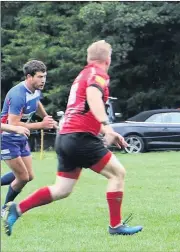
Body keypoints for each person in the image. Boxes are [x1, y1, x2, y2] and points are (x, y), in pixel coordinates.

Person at [2, 40, 143, 236]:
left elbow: (82, 111)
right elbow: (93, 97)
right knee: (117, 174)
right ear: (108, 59)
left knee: (62, 189)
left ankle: (17, 209)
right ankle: (115, 226)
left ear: (88, 58)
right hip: (80, 138)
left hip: (66, 137)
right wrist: (106, 126)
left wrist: (107, 132)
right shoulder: (98, 74)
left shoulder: (82, 75)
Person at [0, 60, 57, 203]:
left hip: (20, 136)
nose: (43, 80)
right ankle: (6, 209)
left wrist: (46, 117)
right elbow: (14, 124)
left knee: (29, 176)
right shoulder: (18, 94)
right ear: (29, 77)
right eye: (40, 77)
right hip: (6, 137)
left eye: (44, 76)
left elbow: (36, 102)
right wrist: (41, 124)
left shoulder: (35, 90)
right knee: (23, 177)